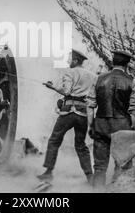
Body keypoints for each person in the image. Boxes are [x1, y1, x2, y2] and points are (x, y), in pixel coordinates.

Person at [37, 49, 96, 183]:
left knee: (54, 140)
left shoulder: (70, 72)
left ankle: (48, 172)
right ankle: (90, 176)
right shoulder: (93, 76)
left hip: (68, 113)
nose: (68, 61)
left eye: (70, 59)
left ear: (75, 60)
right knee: (81, 145)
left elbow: (66, 91)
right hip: (83, 114)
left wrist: (52, 87)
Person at [88, 50, 135, 189]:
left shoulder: (98, 79)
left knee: (100, 166)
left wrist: (91, 125)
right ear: (127, 64)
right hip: (122, 128)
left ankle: (97, 191)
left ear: (113, 62)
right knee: (121, 165)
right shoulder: (133, 82)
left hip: (100, 125)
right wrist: (133, 130)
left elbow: (90, 106)